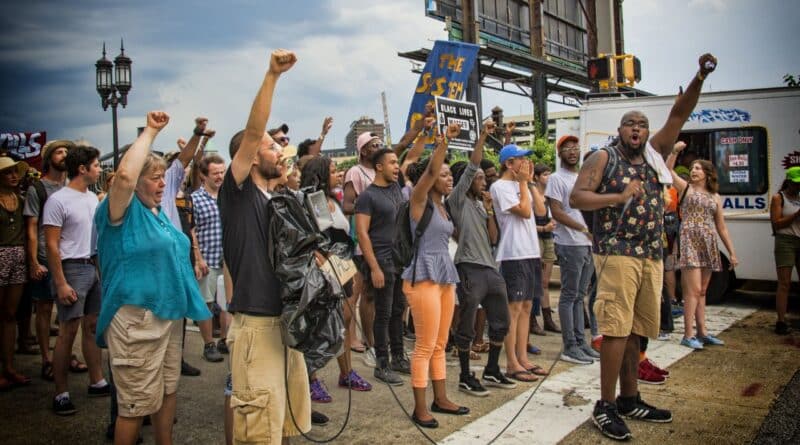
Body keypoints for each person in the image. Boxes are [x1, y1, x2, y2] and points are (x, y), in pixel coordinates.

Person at [571, 53, 718, 441]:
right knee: (616, 330)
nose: (636, 128)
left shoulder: (654, 155)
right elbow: (577, 197)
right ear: (620, 130)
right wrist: (617, 198)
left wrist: (700, 76)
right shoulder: (604, 157)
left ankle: (629, 398)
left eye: (642, 124)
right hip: (617, 253)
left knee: (637, 331)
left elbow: (679, 114)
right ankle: (605, 404)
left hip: (650, 254)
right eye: (630, 124)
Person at [95, 111, 211, 444]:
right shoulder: (119, 212)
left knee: (167, 390)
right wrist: (150, 131)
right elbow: (124, 178)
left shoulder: (156, 213)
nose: (163, 184)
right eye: (155, 178)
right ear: (136, 182)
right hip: (136, 320)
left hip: (167, 316)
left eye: (163, 177)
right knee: (135, 405)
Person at [219, 49, 312, 444]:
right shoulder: (237, 193)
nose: (281, 153)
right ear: (252, 157)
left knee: (284, 422)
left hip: (284, 322)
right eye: (273, 147)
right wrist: (272, 76)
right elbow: (254, 131)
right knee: (259, 430)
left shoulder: (275, 200)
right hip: (256, 325)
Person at [402, 123, 468, 428]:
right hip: (423, 276)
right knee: (425, 346)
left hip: (444, 276)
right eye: (444, 174)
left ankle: (440, 399)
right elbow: (429, 171)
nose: (448, 177)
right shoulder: (419, 200)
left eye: (449, 174)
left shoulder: (443, 206)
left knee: (441, 343)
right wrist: (443, 142)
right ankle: (420, 408)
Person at [447, 120, 517, 398]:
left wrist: (489, 210)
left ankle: (491, 369)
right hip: (469, 266)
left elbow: (493, 238)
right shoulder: (457, 200)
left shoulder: (479, 204)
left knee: (501, 320)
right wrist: (483, 137)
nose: (483, 181)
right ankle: (465, 376)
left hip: (489, 267)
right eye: (478, 179)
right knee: (466, 323)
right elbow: (472, 165)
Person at [43, 145, 110, 415]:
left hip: (92, 266)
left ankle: (97, 380)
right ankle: (61, 393)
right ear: (82, 169)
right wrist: (60, 282)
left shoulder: (92, 198)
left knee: (92, 326)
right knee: (68, 330)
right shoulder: (58, 200)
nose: (99, 169)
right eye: (96, 165)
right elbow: (51, 245)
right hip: (70, 268)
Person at [300, 156, 373, 404]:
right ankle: (310, 378)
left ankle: (346, 372)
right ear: (320, 175)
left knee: (346, 318)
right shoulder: (315, 201)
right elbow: (321, 238)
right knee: (319, 324)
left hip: (343, 265)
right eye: (333, 171)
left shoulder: (332, 199)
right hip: (325, 269)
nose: (339, 174)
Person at [667, 141, 737, 349]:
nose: (693, 171)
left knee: (703, 290)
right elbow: (668, 171)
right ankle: (688, 334)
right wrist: (674, 151)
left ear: (707, 173)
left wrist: (732, 252)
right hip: (690, 240)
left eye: (697, 168)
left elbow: (721, 227)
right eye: (692, 168)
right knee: (693, 290)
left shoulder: (715, 196)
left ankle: (702, 332)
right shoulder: (685, 188)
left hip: (708, 242)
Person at [490, 144, 548, 383]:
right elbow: (524, 212)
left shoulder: (522, 184)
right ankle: (511, 362)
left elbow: (541, 211)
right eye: (521, 159)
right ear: (509, 163)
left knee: (526, 306)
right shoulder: (499, 186)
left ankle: (523, 357)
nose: (526, 163)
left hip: (530, 251)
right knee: (513, 308)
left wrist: (529, 183)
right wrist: (524, 183)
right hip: (513, 253)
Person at [355, 147, 411, 386]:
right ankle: (382, 364)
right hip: (382, 260)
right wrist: (374, 267)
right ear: (379, 167)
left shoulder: (396, 188)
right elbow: (362, 233)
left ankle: (398, 357)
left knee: (398, 309)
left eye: (397, 162)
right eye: (392, 162)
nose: (397, 166)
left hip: (399, 260)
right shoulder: (367, 197)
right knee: (384, 312)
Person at [545, 135, 599, 365]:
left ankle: (580, 342)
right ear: (560, 153)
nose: (572, 151)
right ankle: (570, 346)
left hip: (587, 244)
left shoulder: (582, 178)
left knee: (580, 295)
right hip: (569, 244)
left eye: (575, 147)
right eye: (567, 148)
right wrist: (583, 228)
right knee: (569, 295)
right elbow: (557, 212)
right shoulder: (556, 179)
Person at [23, 139, 73, 382]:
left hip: (69, 256)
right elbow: (32, 228)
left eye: (66, 151)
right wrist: (34, 261)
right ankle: (47, 359)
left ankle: (66, 355)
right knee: (44, 308)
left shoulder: (72, 186)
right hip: (45, 256)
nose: (64, 155)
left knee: (69, 311)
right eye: (58, 152)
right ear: (48, 158)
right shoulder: (38, 189)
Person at [192, 154, 228, 361]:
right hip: (208, 258)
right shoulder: (195, 199)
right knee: (205, 303)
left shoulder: (228, 196)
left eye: (222, 172)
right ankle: (208, 344)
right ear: (203, 175)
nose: (220, 176)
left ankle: (224, 339)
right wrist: (198, 258)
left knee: (226, 302)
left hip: (227, 260)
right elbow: (192, 230)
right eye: (215, 173)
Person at [0, 156, 30, 390]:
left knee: (11, 314)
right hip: (1, 253)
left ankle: (9, 366)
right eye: (7, 172)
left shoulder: (21, 200)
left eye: (14, 172)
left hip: (18, 256)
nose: (13, 176)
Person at [770, 166, 800, 335]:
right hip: (785, 241)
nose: (798, 186)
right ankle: (781, 321)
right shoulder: (778, 198)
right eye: (796, 183)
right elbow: (777, 223)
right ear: (788, 182)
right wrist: (796, 215)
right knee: (784, 283)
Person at [532, 163, 560, 334]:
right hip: (536, 237)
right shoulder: (531, 195)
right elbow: (525, 224)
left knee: (544, 282)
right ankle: (532, 319)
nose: (548, 178)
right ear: (536, 177)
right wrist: (543, 228)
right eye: (544, 174)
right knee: (534, 280)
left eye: (549, 174)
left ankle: (547, 318)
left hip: (549, 237)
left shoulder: (550, 197)